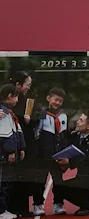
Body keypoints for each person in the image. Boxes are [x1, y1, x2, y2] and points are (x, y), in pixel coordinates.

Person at [53, 115, 89, 217]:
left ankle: (87, 206)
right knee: (58, 187)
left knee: (79, 183)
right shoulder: (76, 136)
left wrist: (70, 162)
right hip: (83, 176)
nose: (77, 122)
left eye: (81, 120)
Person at [7, 72, 39, 217]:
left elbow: (38, 118)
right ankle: (10, 208)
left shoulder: (29, 102)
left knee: (25, 176)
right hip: (11, 144)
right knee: (11, 176)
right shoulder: (6, 102)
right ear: (18, 85)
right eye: (27, 85)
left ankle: (23, 208)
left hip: (26, 144)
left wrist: (30, 119)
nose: (28, 88)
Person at [33, 89, 67, 216]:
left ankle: (58, 205)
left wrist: (64, 153)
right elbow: (37, 134)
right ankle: (38, 205)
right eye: (55, 99)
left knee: (59, 181)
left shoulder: (63, 116)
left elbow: (64, 136)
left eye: (60, 101)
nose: (57, 103)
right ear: (48, 98)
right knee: (40, 180)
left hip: (58, 155)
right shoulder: (42, 114)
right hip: (43, 154)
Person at [0, 84, 26, 219]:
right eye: (16, 97)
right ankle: (1, 210)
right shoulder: (2, 112)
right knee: (3, 182)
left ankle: (4, 209)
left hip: (11, 152)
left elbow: (17, 130)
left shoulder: (10, 112)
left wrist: (21, 147)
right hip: (4, 155)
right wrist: (10, 151)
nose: (17, 100)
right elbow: (6, 133)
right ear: (10, 96)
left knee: (8, 181)